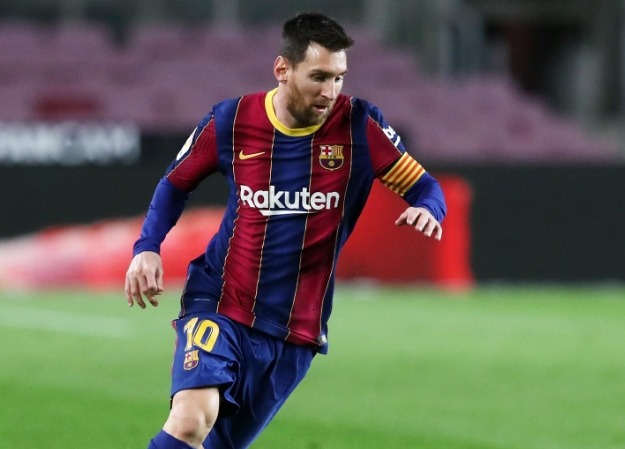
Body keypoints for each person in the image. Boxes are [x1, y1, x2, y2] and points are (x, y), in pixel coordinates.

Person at [125, 11, 446, 449]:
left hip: (296, 330)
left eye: (339, 78)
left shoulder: (360, 126)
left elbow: (425, 186)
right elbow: (175, 182)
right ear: (282, 69)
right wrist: (147, 247)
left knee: (218, 444)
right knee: (190, 423)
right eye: (319, 77)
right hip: (220, 302)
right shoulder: (232, 121)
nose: (330, 91)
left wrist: (429, 209)